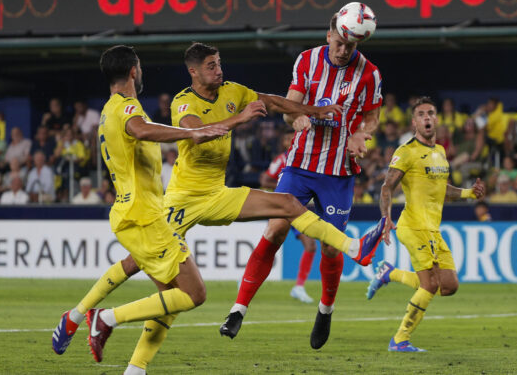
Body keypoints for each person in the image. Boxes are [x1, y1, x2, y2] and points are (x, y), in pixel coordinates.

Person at [53, 42, 385, 374]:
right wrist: (236, 120)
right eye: (211, 65)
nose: (218, 69)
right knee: (159, 282)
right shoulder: (178, 102)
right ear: (193, 72)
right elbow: (196, 131)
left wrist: (312, 111)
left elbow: (268, 99)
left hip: (215, 193)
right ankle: (93, 322)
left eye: (219, 63)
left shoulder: (230, 91)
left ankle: (353, 246)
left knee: (286, 204)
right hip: (180, 201)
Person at [50, 45, 230, 366]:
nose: (143, 72)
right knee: (195, 293)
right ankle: (104, 319)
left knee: (167, 300)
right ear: (133, 70)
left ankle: (132, 366)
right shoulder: (128, 108)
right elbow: (141, 130)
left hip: (135, 212)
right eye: (141, 67)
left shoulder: (109, 109)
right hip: (143, 216)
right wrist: (192, 132)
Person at [220, 13, 385, 350]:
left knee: (329, 244)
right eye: (339, 43)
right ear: (329, 35)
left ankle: (325, 310)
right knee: (275, 229)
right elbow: (289, 105)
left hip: (338, 172)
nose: (342, 51)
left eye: (350, 46)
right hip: (299, 165)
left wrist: (361, 135)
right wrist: (294, 118)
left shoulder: (369, 73)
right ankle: (238, 309)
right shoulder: (308, 60)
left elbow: (372, 116)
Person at [366, 97, 485, 352]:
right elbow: (387, 186)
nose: (427, 118)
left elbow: (442, 189)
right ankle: (399, 339)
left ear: (437, 119)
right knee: (430, 284)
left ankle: (390, 273)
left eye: (431, 113)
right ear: (414, 122)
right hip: (412, 226)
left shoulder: (440, 152)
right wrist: (386, 217)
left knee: (449, 286)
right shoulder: (406, 151)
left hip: (433, 229)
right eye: (421, 114)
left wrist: (468, 193)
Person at [260, 129, 319, 304]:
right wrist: (283, 182)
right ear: (284, 143)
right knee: (269, 246)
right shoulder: (281, 160)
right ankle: (247, 277)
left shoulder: (306, 158)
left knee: (310, 245)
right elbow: (264, 180)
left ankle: (299, 287)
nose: (289, 139)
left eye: (291, 137)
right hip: (281, 208)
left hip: (298, 209)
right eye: (286, 137)